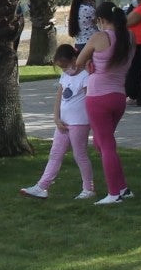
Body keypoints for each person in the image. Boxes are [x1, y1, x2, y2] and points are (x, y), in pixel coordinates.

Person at [21, 43, 97, 200]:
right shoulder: (65, 76)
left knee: (79, 154)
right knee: (55, 153)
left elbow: (90, 100)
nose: (65, 69)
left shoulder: (85, 77)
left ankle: (88, 188)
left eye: (66, 65)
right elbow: (59, 97)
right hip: (64, 122)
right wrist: (56, 117)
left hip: (79, 122)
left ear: (75, 59)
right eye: (62, 67)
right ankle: (42, 186)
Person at [78, 1, 135, 204]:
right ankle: (122, 188)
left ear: (101, 20)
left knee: (106, 145)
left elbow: (78, 61)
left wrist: (88, 63)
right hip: (118, 96)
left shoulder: (99, 37)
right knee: (104, 143)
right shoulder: (129, 37)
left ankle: (113, 193)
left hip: (97, 96)